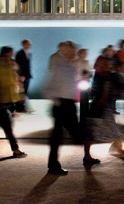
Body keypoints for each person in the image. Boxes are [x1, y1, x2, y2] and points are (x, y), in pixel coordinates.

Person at [44, 41, 96, 174]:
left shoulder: (69, 66)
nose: (74, 55)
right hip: (63, 104)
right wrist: (57, 102)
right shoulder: (61, 66)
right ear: (66, 52)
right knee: (67, 134)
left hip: (67, 104)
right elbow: (49, 87)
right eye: (72, 52)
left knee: (59, 135)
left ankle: (53, 165)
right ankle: (55, 164)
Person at [0, 47, 26, 158]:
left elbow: (13, 84)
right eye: (9, 55)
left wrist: (17, 99)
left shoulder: (9, 67)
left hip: (6, 101)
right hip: (1, 102)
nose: (10, 57)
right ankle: (15, 149)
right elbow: (1, 85)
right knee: (6, 126)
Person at [14, 39, 33, 113]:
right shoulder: (19, 53)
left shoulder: (29, 53)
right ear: (23, 44)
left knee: (25, 92)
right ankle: (20, 107)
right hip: (22, 76)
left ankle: (23, 107)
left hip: (27, 75)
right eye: (28, 44)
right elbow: (19, 65)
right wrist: (21, 75)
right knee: (22, 92)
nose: (29, 45)